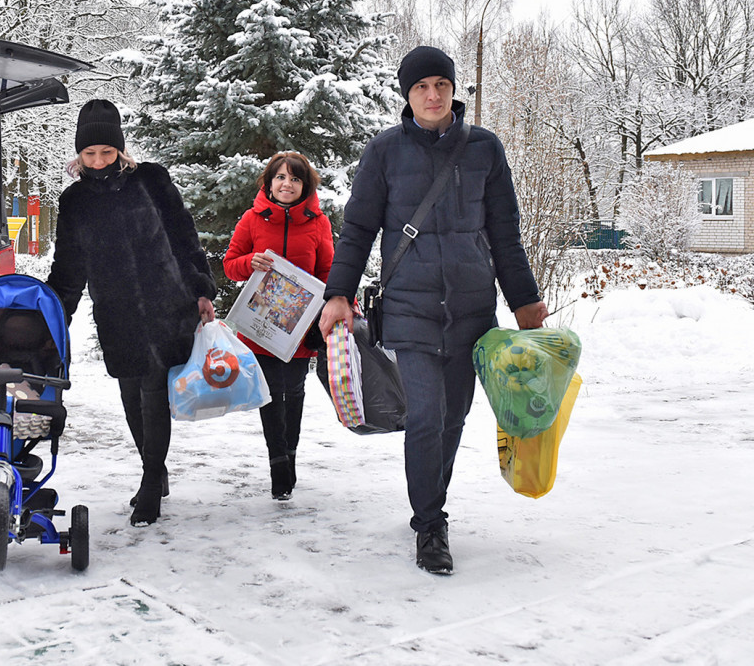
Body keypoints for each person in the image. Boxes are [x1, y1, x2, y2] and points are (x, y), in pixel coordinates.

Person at [318, 46, 548, 575]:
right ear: (407, 94)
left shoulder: (485, 149)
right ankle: (430, 525)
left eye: (440, 84)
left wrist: (524, 300)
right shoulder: (383, 152)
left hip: (471, 309)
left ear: (452, 89)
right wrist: (338, 293)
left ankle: (430, 499)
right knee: (424, 414)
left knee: (455, 416)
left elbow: (504, 234)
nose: (432, 94)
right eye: (421, 86)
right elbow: (357, 230)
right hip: (410, 308)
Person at [46, 99, 217, 527]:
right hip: (117, 310)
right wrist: (53, 316)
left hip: (165, 302)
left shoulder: (152, 180)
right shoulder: (74, 201)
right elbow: (68, 267)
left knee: (154, 392)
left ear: (120, 150)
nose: (99, 161)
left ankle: (150, 480)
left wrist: (199, 288)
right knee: (130, 396)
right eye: (90, 154)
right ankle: (154, 471)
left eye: (107, 152)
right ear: (79, 155)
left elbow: (183, 234)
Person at [223, 151, 333, 500]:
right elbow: (230, 265)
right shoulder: (252, 220)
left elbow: (329, 271)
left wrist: (331, 303)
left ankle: (292, 454)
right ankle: (278, 463)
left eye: (295, 179)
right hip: (260, 325)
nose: (287, 184)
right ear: (269, 183)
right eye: (281, 178)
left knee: (295, 390)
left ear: (305, 186)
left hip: (300, 326)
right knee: (269, 393)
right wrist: (248, 262)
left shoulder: (319, 223)